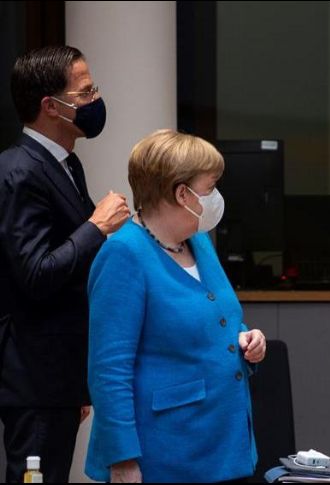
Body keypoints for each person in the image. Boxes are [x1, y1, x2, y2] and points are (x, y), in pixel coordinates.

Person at [84, 129, 265, 482]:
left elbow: (215, 322)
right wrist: (123, 458)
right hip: (165, 453)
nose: (216, 197)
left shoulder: (199, 242)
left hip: (224, 443)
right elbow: (109, 370)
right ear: (182, 193)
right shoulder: (124, 254)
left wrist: (247, 340)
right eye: (210, 187)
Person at [0, 45, 129, 482]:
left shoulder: (64, 164)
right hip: (34, 376)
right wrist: (96, 225)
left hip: (58, 375)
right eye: (86, 91)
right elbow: (36, 273)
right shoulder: (19, 171)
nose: (95, 100)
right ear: (51, 107)